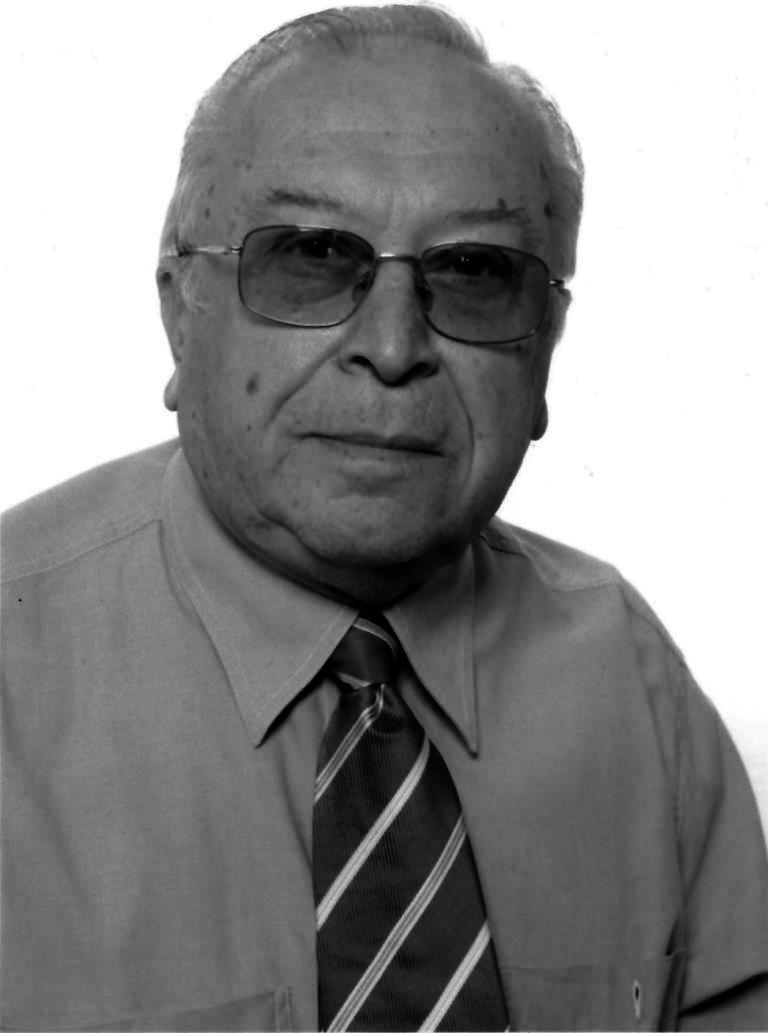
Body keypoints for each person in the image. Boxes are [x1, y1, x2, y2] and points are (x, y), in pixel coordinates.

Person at [2, 5, 766, 1031]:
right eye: (314, 254)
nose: (395, 346)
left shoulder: (630, 679)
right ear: (181, 309)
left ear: (544, 349)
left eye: (474, 272)